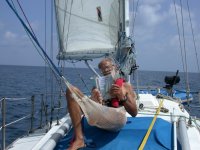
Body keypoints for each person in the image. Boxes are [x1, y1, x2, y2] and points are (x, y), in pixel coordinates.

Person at [66, 58, 137, 150]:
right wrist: (94, 100)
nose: (105, 70)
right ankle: (79, 139)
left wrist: (122, 97)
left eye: (107, 67)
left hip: (117, 119)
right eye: (102, 69)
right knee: (71, 91)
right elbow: (81, 113)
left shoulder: (126, 86)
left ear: (114, 67)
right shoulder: (97, 86)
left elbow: (134, 113)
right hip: (100, 118)